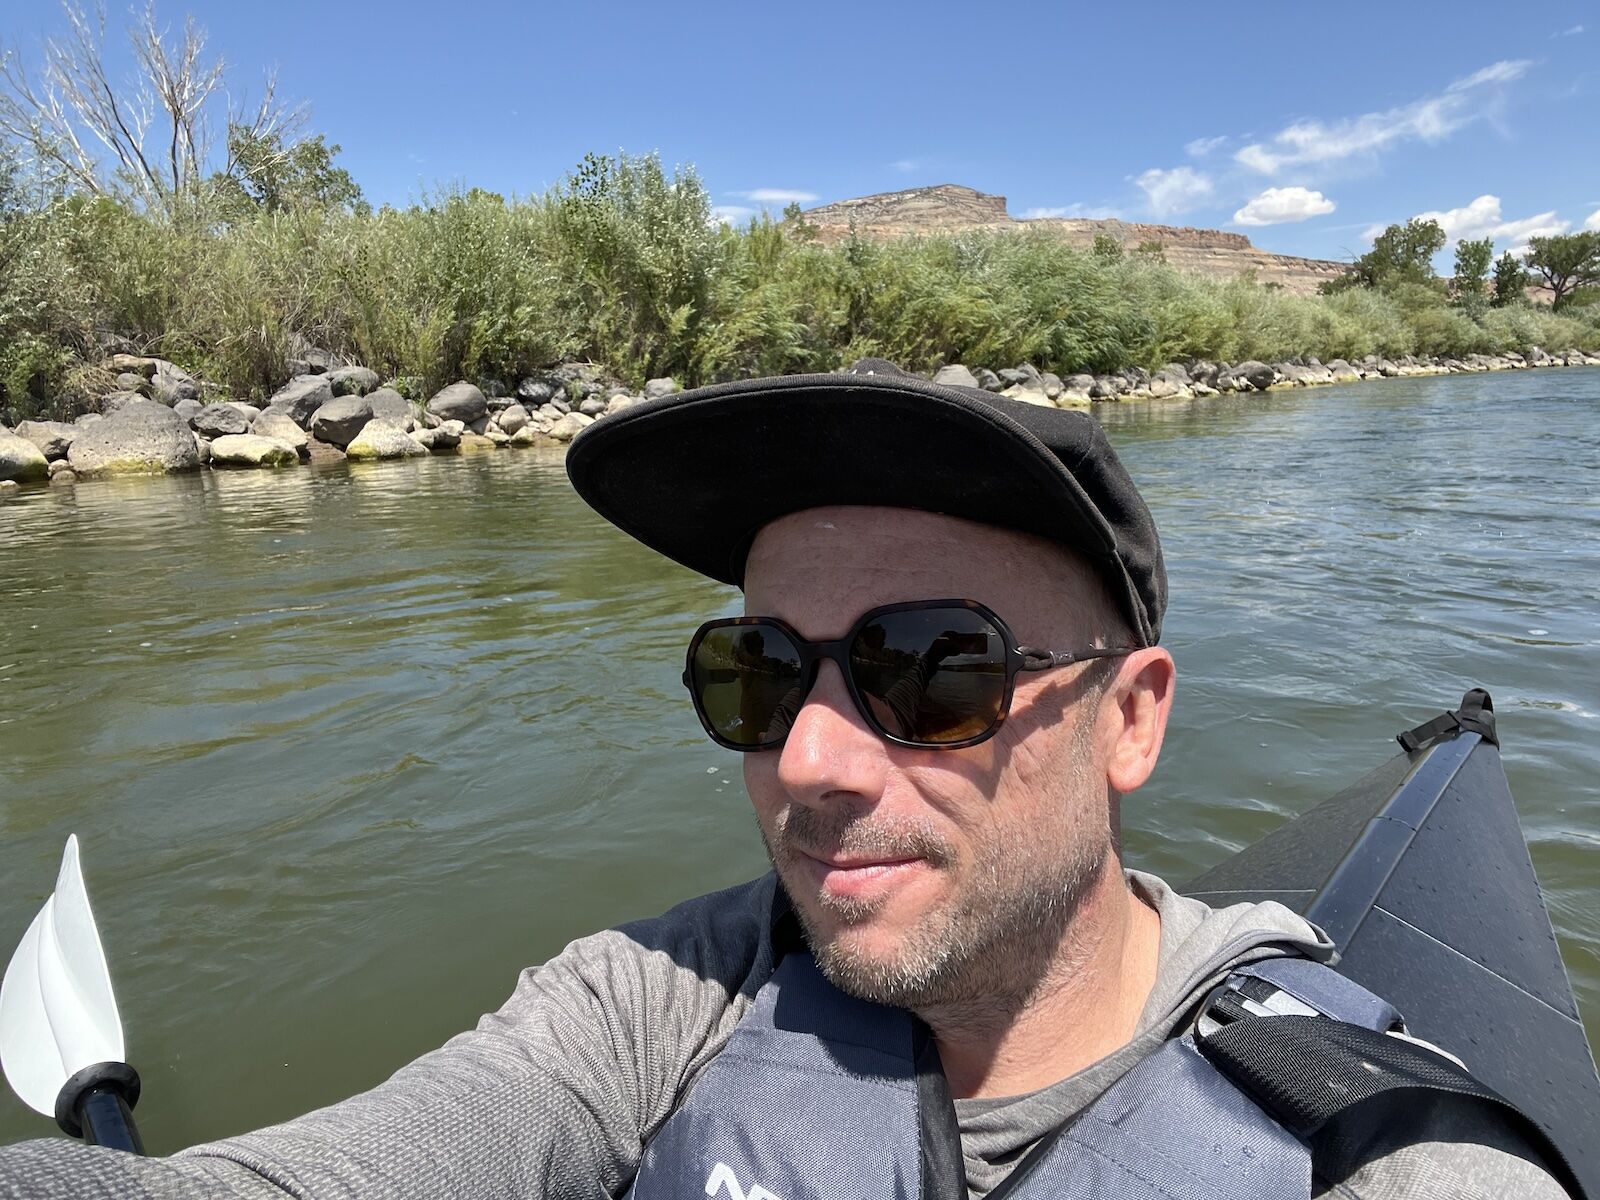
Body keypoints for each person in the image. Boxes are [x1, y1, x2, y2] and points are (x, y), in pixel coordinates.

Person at [0, 361, 1577, 1199]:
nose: (808, 762)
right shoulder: (667, 1002)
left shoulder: (1376, 1153)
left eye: (932, 671)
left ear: (1131, 719)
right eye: (754, 674)